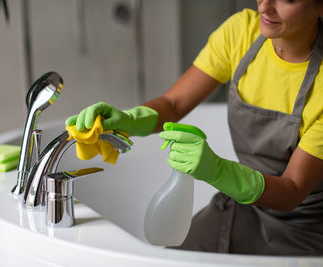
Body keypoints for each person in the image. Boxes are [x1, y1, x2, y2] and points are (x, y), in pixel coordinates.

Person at [65, 0, 323, 255]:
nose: (265, 7)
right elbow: (174, 103)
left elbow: (291, 191)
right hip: (243, 206)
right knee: (170, 260)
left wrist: (218, 171)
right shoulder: (242, 32)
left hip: (302, 230)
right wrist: (129, 120)